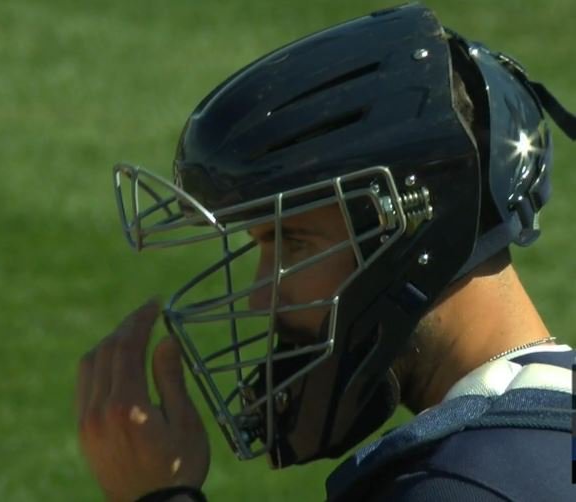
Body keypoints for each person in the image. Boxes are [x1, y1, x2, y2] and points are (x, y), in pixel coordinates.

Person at [76, 3, 576, 501]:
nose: (260, 296)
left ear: (412, 236)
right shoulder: (546, 430)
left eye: (293, 241)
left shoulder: (461, 487)